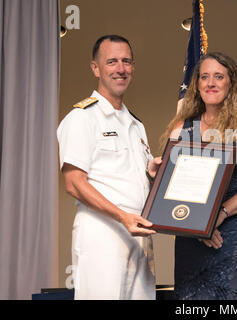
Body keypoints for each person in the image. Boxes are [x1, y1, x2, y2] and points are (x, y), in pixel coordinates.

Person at [162, 52, 237, 299]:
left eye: (219, 76)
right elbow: (167, 191)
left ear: (231, 83)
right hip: (193, 242)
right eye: (204, 77)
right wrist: (155, 175)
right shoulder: (182, 128)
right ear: (197, 84)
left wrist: (219, 215)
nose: (211, 83)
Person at [57, 35, 159, 300]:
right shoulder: (82, 117)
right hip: (102, 235)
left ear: (133, 67)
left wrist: (153, 175)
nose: (120, 68)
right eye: (112, 62)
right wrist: (122, 217)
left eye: (126, 61)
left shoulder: (137, 125)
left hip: (139, 235)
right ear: (95, 68)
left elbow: (131, 179)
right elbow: (74, 183)